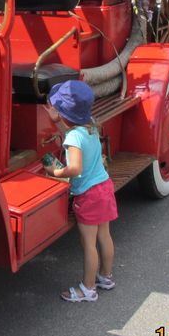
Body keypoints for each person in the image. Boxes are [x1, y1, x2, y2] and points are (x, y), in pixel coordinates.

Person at [43, 80, 118, 302]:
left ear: (62, 111)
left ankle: (87, 289)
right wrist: (58, 122)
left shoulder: (74, 138)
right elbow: (73, 134)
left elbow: (75, 169)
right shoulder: (90, 126)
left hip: (89, 194)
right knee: (104, 236)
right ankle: (106, 276)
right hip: (104, 187)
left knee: (88, 244)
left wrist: (54, 172)